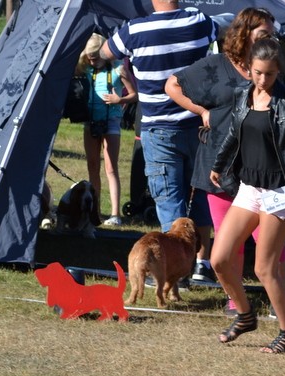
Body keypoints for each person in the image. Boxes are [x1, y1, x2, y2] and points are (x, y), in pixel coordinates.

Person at [165, 7, 285, 316]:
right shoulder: (216, 65)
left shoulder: (274, 65)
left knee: (270, 243)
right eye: (263, 34)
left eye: (271, 34)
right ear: (244, 33)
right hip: (222, 165)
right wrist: (202, 112)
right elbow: (172, 85)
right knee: (228, 241)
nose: (269, 39)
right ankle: (236, 302)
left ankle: (277, 302)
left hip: (268, 170)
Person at [209, 37, 285, 353]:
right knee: (219, 259)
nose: (262, 80)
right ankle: (246, 315)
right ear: (249, 68)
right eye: (258, 72)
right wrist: (219, 165)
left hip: (279, 190)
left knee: (264, 268)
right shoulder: (242, 95)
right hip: (249, 187)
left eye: (269, 74)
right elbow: (233, 134)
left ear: (278, 71)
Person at [100, 0, 217, 281]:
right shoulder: (198, 21)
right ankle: (203, 265)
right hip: (198, 126)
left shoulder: (134, 30)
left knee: (169, 202)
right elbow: (221, 29)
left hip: (159, 130)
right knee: (202, 196)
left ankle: (175, 273)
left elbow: (105, 51)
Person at [79, 33, 137, 226]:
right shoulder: (87, 68)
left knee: (111, 167)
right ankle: (94, 211)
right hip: (90, 122)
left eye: (95, 58)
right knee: (92, 165)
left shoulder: (119, 69)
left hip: (111, 121)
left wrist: (120, 100)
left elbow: (135, 94)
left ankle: (115, 214)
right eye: (89, 58)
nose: (92, 62)